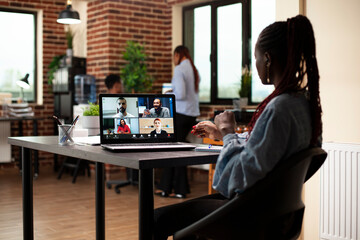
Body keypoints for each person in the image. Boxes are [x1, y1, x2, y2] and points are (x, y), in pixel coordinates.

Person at [153, 15, 322, 240]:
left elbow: (237, 180)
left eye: (256, 58)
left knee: (156, 219)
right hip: (277, 214)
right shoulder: (302, 104)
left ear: (268, 59)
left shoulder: (279, 108)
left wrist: (228, 132)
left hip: (249, 214)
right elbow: (266, 152)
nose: (256, 64)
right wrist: (220, 134)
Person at [155, 45, 200, 199]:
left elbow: (179, 94)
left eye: (173, 57)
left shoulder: (180, 69)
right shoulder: (192, 69)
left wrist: (169, 92)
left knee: (173, 150)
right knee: (176, 149)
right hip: (191, 115)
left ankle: (177, 189)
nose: (173, 60)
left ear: (177, 55)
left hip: (181, 114)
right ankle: (166, 188)